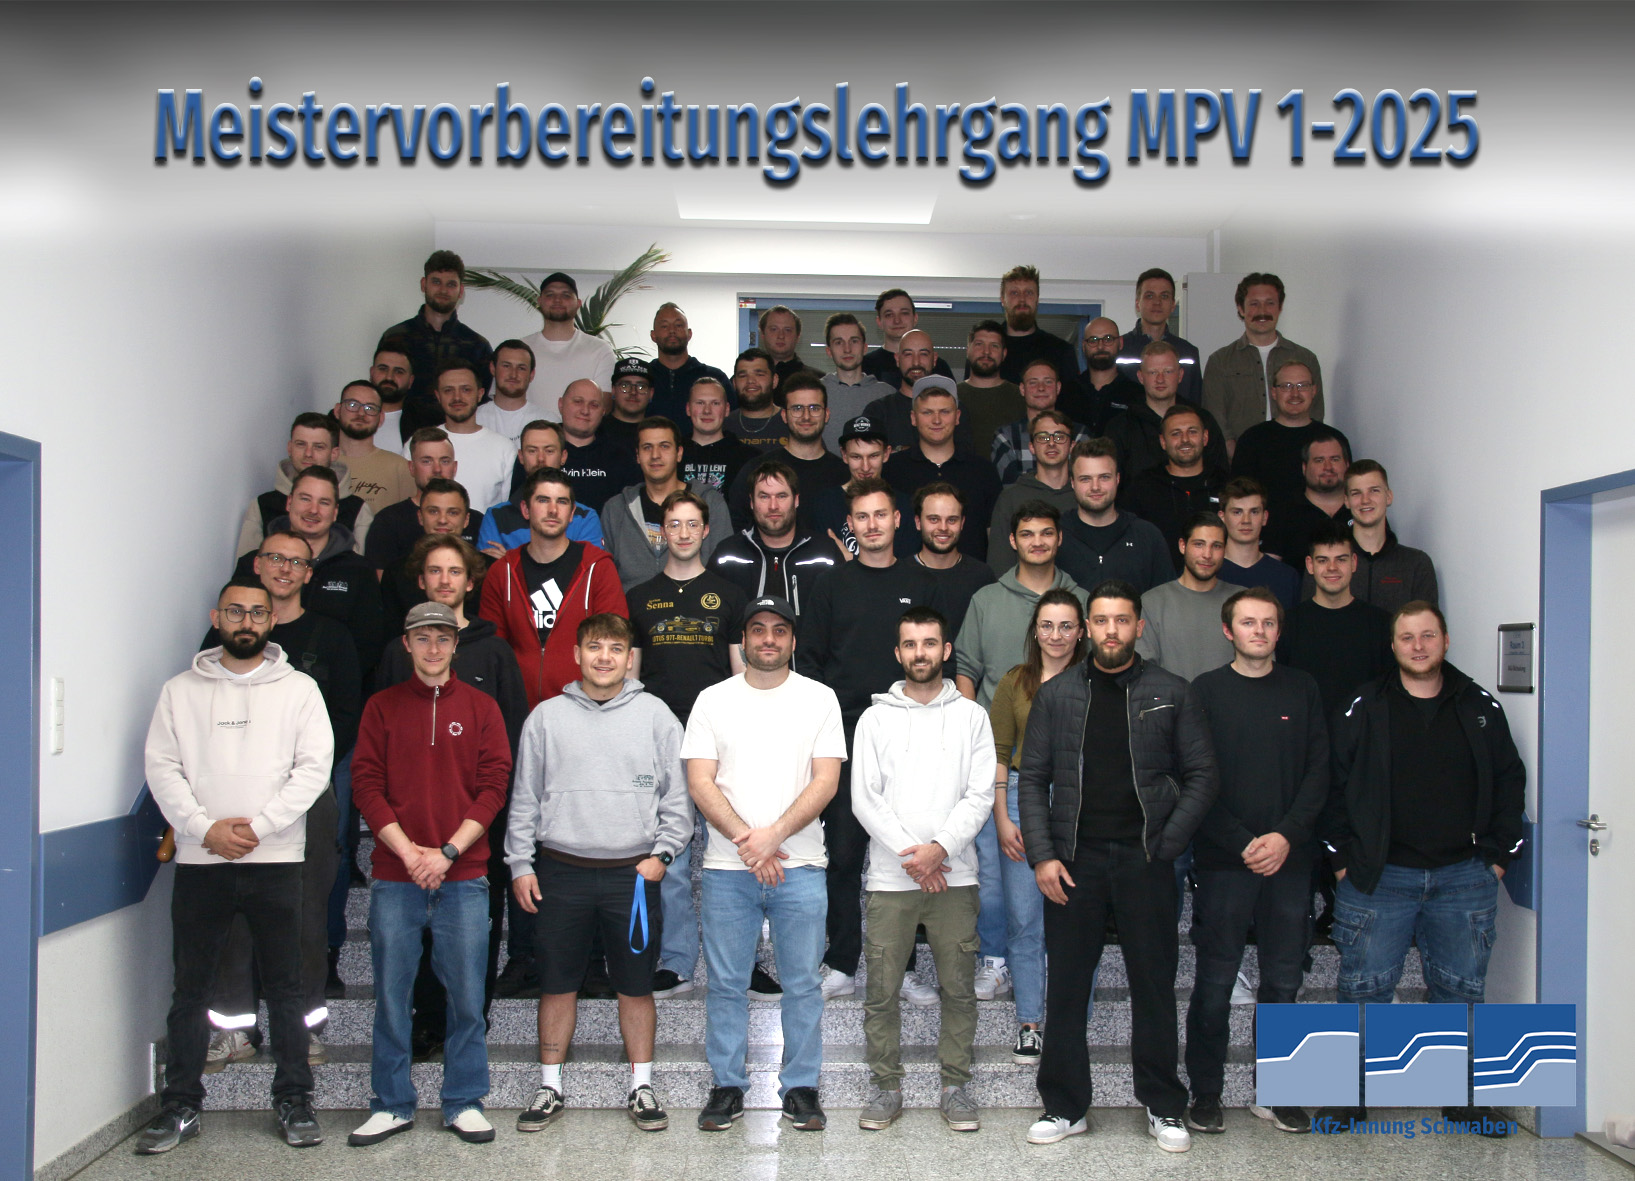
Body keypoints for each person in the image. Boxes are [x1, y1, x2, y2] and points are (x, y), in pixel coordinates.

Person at [1016, 579, 1217, 1152]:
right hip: (1074, 862)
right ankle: (1064, 1105)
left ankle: (1163, 1105)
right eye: (1101, 620)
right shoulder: (1056, 695)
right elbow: (1032, 779)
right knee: (1068, 986)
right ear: (1087, 628)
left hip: (1145, 859)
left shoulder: (1171, 691)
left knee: (1153, 985)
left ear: (1138, 627)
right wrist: (1043, 856)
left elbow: (1204, 774)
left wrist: (1167, 844)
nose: (1111, 631)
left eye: (1121, 620)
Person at [1318, 602, 1526, 1136]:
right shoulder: (1363, 706)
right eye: (1407, 637)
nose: (1418, 646)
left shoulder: (1479, 706)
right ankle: (1347, 1098)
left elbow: (1510, 781)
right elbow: (1331, 785)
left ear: (1445, 641)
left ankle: (1464, 1102)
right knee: (1362, 989)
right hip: (1378, 877)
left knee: (1462, 991)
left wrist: (1498, 859)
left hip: (1465, 877)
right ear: (1392, 645)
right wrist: (1341, 861)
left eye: (1428, 635)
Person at [139, 578, 332, 1153]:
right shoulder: (180, 691)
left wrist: (260, 826)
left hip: (276, 861)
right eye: (235, 612)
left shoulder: (299, 689)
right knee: (190, 990)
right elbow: (162, 767)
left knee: (286, 988)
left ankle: (294, 1099)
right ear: (216, 618)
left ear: (272, 621)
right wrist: (204, 829)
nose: (246, 622)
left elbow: (313, 768)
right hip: (202, 861)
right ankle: (180, 1105)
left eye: (256, 613)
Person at [506, 613, 692, 1134]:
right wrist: (520, 863)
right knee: (557, 984)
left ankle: (642, 1087)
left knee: (635, 986)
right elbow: (524, 799)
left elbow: (678, 801)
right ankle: (549, 1087)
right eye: (594, 647)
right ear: (576, 655)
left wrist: (663, 856)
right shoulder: (545, 717)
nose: (604, 657)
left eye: (615, 648)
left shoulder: (657, 716)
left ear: (630, 658)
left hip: (631, 877)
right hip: (560, 872)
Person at [348, 602, 512, 1148]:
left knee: (466, 998)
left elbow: (494, 786)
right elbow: (366, 785)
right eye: (423, 638)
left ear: (455, 644)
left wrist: (445, 852)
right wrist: (409, 853)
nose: (434, 648)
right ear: (407, 644)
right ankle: (391, 1104)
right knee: (392, 998)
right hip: (396, 878)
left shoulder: (483, 708)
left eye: (443, 637)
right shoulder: (381, 708)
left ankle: (464, 1101)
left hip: (463, 876)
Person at [683, 596, 846, 1133]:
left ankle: (800, 1089)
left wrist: (772, 836)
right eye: (758, 630)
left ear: (793, 640)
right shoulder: (712, 700)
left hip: (800, 864)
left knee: (802, 984)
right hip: (728, 868)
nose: (769, 639)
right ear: (744, 639)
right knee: (726, 984)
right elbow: (700, 781)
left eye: (779, 630)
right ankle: (727, 1087)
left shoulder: (820, 699)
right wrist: (746, 841)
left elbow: (826, 781)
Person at [374, 532, 531, 1046]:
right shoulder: (396, 653)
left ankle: (471, 1023)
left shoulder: (495, 651)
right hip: (408, 831)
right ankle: (426, 1022)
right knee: (415, 933)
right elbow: (380, 744)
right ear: (421, 581)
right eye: (435, 571)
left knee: (475, 931)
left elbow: (511, 742)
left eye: (455, 571)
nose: (445, 580)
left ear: (470, 582)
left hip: (478, 826)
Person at [1185, 588, 1328, 1137]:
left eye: (1268, 623)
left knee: (1284, 981)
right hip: (1225, 860)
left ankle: (1280, 1094)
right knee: (1215, 982)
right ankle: (1206, 1094)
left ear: (1278, 630)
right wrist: (1243, 841)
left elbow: (1319, 771)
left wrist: (1285, 836)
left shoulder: (1303, 687)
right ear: (1229, 631)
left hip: (1290, 860)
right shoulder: (1204, 691)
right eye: (1248, 623)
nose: (1259, 632)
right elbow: (1196, 776)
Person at [797, 478, 942, 999]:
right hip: (846, 736)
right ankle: (841, 962)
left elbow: (934, 659)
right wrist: (824, 731)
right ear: (850, 525)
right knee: (842, 853)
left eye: (881, 514)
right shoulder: (830, 585)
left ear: (898, 520)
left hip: (909, 733)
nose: (873, 524)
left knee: (903, 850)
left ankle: (901, 968)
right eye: (862, 517)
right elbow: (808, 662)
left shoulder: (920, 582)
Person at [852, 607, 994, 1133]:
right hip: (891, 879)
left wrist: (941, 848)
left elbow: (980, 795)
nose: (920, 653)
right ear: (898, 653)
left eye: (929, 643)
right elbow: (864, 799)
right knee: (881, 991)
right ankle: (886, 1088)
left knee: (958, 988)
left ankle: (955, 1087)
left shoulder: (972, 717)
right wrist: (917, 857)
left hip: (956, 876)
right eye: (910, 644)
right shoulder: (874, 719)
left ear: (946, 650)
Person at [205, 531, 359, 1017]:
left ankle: (302, 1031)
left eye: (295, 562)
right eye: (274, 557)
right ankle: (235, 1029)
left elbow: (346, 715)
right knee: (232, 919)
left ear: (309, 574)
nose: (284, 568)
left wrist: (297, 778)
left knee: (305, 913)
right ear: (257, 564)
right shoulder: (220, 644)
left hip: (306, 794)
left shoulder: (331, 637)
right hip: (233, 796)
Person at [954, 501, 1088, 1007]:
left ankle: (1042, 958)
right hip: (999, 763)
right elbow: (966, 668)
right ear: (1012, 541)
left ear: (1059, 539)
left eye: (1046, 533)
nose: (1037, 542)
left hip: (1069, 778)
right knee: (992, 875)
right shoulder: (987, 599)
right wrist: (974, 737)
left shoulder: (1081, 598)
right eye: (1027, 533)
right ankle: (995, 959)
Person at [628, 491, 749, 998]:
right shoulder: (639, 597)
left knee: (737, 850)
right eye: (673, 524)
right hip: (661, 737)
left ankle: (743, 961)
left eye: (691, 524)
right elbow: (631, 680)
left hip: (719, 737)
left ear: (705, 531)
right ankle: (677, 961)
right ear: (662, 532)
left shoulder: (730, 595)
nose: (682, 533)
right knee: (672, 855)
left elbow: (742, 675)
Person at [988, 590, 1085, 1070]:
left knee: (1076, 923)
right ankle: (1030, 1024)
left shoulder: (1096, 681)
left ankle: (1071, 1027)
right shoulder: (1015, 681)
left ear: (1081, 632)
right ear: (1035, 631)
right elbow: (998, 753)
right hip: (1020, 799)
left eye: (1066, 626)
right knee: (1025, 921)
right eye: (1047, 625)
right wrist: (1002, 817)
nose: (1056, 635)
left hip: (1080, 804)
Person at [478, 466, 629, 710]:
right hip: (516, 708)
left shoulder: (598, 568)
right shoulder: (502, 572)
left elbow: (612, 645)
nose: (553, 510)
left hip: (583, 708)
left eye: (562, 501)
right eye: (543, 500)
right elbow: (493, 651)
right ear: (525, 509)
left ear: (571, 513)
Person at [236, 465, 388, 683]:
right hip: (257, 682)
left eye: (323, 502)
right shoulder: (253, 564)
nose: (313, 510)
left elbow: (368, 644)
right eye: (305, 499)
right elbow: (233, 626)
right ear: (289, 502)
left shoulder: (358, 571)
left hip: (329, 688)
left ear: (335, 512)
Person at [1202, 273, 1326, 456]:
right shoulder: (1220, 361)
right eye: (1254, 304)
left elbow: (1315, 413)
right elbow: (1215, 417)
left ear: (1280, 307)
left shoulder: (1305, 359)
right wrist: (1238, 457)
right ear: (1241, 309)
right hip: (1239, 458)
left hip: (1296, 456)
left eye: (1270, 303)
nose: (1263, 311)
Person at [602, 417, 731, 590]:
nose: (655, 455)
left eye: (664, 446)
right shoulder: (616, 509)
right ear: (638, 456)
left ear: (679, 453)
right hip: (631, 605)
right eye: (647, 447)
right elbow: (605, 579)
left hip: (696, 604)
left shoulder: (710, 503)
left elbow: (723, 572)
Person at [377, 250, 494, 439]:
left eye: (451, 284)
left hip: (459, 437)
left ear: (461, 291)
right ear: (424, 284)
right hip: (402, 436)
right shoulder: (396, 337)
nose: (443, 290)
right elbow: (382, 386)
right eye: (436, 282)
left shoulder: (477, 345)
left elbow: (481, 400)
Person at [883, 380, 1001, 557]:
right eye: (927, 412)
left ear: (957, 416)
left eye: (945, 412)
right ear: (913, 418)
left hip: (972, 573)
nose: (936, 420)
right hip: (905, 573)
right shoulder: (891, 470)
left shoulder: (983, 471)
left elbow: (996, 536)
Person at [236, 412, 374, 559]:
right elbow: (248, 567)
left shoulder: (357, 510)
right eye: (301, 444)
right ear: (290, 448)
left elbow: (361, 568)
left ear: (334, 453)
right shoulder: (262, 506)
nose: (308, 453)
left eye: (318, 447)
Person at [726, 373, 847, 534]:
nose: (806, 416)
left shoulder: (844, 473)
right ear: (784, 415)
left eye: (814, 408)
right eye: (797, 408)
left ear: (827, 414)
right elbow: (737, 523)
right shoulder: (757, 469)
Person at [708, 460, 838, 611]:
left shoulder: (826, 554)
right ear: (751, 502)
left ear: (796, 500)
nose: (773, 506)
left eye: (781, 496)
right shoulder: (727, 555)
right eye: (764, 497)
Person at [1228, 360, 1350, 514]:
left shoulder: (1334, 440)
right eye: (1286, 386)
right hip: (1270, 528)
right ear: (1273, 392)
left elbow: (1347, 491)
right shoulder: (1252, 440)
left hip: (1322, 527)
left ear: (1314, 390)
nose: (1295, 394)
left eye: (1302, 386)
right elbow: (1238, 497)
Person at [1056, 438, 1174, 593]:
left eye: (1104, 477)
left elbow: (1166, 600)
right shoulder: (1054, 536)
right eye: (1085, 479)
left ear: (1117, 479)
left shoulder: (1147, 536)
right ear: (1072, 482)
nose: (1095, 487)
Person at [1105, 342, 1230, 483]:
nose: (1160, 379)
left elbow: (1220, 477)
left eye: (1168, 372)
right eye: (1153, 372)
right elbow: (1111, 481)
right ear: (1140, 377)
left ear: (1180, 375)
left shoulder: (1203, 421)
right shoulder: (1120, 427)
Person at [1122, 404, 1227, 570]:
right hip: (1158, 582)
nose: (1185, 439)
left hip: (1218, 580)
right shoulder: (1142, 487)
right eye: (1176, 433)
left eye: (1192, 432)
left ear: (1205, 437)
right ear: (1163, 442)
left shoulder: (1225, 485)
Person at [477, 420, 605, 556]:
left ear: (563, 456)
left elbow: (589, 567)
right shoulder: (496, 516)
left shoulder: (586, 517)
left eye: (549, 451)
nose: (541, 459)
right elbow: (492, 568)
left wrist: (509, 560)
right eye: (532, 451)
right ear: (521, 457)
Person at [1136, 515, 1236, 682]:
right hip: (1170, 698)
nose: (1207, 554)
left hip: (1232, 698)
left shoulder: (1242, 602)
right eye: (1199, 544)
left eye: (1216, 546)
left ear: (1225, 550)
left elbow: (1260, 665)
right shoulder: (1152, 602)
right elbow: (1144, 674)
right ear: (1183, 546)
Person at [366, 428, 482, 572]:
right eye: (427, 461)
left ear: (454, 467)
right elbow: (382, 581)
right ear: (411, 467)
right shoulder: (388, 521)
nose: (437, 469)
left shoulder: (477, 521)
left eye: (445, 461)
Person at [987, 408, 1077, 575]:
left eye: (1059, 437)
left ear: (1072, 446)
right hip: (1023, 590)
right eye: (1043, 437)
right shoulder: (1011, 498)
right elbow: (999, 563)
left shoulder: (1084, 495)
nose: (1051, 443)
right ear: (1032, 447)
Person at [1342, 460, 1440, 613]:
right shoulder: (1328, 565)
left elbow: (1426, 624)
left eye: (1374, 490)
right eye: (1356, 493)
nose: (1365, 500)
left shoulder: (1417, 564)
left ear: (1388, 497)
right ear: (1346, 501)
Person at [378, 478, 474, 632]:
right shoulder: (396, 572)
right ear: (420, 517)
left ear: (466, 519)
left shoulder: (488, 569)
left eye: (453, 512)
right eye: (433, 511)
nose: (442, 520)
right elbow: (391, 635)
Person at [908, 482, 997, 638]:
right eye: (934, 519)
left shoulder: (982, 576)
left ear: (962, 523)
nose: (943, 528)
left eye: (952, 520)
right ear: (918, 522)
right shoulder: (900, 575)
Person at [426, 362, 516, 512]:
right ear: (438, 396)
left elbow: (507, 511)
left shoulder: (504, 448)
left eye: (466, 390)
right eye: (448, 390)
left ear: (480, 394)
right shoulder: (420, 445)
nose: (457, 397)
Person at [863, 331, 973, 452]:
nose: (916, 362)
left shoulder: (953, 409)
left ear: (934, 359)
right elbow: (869, 457)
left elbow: (963, 457)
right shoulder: (878, 411)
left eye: (923, 354)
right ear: (897, 359)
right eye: (908, 354)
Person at [518, 271, 616, 408]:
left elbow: (602, 407)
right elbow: (504, 402)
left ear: (578, 303)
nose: (557, 300)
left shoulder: (600, 350)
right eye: (550, 294)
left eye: (566, 295)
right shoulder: (520, 349)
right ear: (539, 301)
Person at [1261, 427, 1351, 563]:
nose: (1328, 467)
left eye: (1335, 459)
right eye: (1319, 460)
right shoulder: (1282, 514)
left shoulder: (1361, 509)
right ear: (1304, 468)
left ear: (1347, 465)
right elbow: (1269, 569)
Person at [1113, 269, 1203, 405]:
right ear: (1137, 304)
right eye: (1149, 296)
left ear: (1173, 305)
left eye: (1164, 296)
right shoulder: (1119, 349)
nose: (1157, 302)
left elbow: (1196, 403)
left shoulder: (1188, 352)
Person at [991, 359, 1085, 487]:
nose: (1041, 388)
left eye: (1048, 382)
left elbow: (1085, 483)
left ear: (1058, 388)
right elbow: (1010, 489)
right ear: (1022, 389)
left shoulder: (1079, 434)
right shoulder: (1005, 437)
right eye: (1033, 383)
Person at [810, 414, 890, 561]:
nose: (865, 467)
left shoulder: (902, 504)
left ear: (886, 454)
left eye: (873, 456)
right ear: (844, 455)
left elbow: (906, 568)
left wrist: (850, 560)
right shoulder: (825, 504)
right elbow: (822, 563)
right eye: (856, 457)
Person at [333, 380, 417, 515]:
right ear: (337, 410)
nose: (361, 413)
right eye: (352, 405)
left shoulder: (400, 468)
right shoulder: (322, 462)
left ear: (381, 418)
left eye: (370, 408)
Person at [557, 377, 640, 512]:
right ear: (561, 404)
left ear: (603, 412)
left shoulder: (620, 457)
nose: (585, 411)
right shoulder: (541, 450)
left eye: (594, 405)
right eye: (578, 402)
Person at [1215, 477, 1299, 609]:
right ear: (1222, 517)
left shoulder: (1286, 576)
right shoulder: (1208, 571)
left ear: (1265, 517)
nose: (1246, 520)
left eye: (1254, 512)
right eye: (1237, 512)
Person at [821, 312, 897, 451]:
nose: (847, 349)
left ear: (865, 347)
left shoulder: (887, 394)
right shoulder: (816, 392)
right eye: (839, 342)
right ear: (829, 351)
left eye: (854, 341)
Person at [647, 302, 731, 424]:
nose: (672, 330)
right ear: (653, 335)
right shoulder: (644, 378)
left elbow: (732, 421)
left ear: (689, 334)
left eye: (678, 325)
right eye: (664, 326)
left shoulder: (715, 377)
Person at [995, 264, 1077, 385]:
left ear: (1037, 299)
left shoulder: (1061, 351)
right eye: (1014, 293)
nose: (1022, 299)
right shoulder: (986, 352)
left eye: (1028, 292)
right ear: (1002, 299)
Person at [860, 288, 956, 390]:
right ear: (879, 322)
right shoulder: (865, 366)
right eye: (889, 315)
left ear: (915, 318)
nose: (897, 320)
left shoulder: (938, 366)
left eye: (904, 313)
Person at [679, 377, 761, 495]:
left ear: (727, 409)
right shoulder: (672, 455)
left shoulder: (750, 459)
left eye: (715, 403)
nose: (707, 411)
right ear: (688, 409)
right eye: (700, 403)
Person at [1062, 316, 1143, 435]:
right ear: (1084, 346)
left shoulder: (1137, 396)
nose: (1100, 346)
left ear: (1120, 343)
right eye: (1093, 340)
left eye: (1108, 339)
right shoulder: (1066, 394)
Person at [958, 319, 1023, 461]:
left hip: (1009, 475)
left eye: (994, 346)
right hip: (959, 474)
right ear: (968, 350)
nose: (986, 352)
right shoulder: (950, 396)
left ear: (1004, 354)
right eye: (979, 344)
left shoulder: (1021, 397)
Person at [474, 339, 540, 446]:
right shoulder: (474, 419)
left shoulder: (548, 421)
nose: (513, 374)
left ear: (531, 374)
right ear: (492, 368)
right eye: (506, 366)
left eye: (521, 368)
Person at [725, 347, 789, 451]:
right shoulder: (722, 427)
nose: (750, 381)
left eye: (759, 375)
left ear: (774, 380)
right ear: (734, 383)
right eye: (743, 375)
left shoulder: (793, 424)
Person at [602, 355, 656, 450]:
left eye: (641, 387)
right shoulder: (595, 431)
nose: (633, 392)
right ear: (613, 390)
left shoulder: (658, 434)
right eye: (625, 386)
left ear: (651, 393)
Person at [370, 339, 417, 446]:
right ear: (371, 373)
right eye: (383, 369)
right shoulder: (346, 416)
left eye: (399, 372)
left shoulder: (425, 423)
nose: (389, 377)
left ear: (411, 381)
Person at [758, 304, 811, 384]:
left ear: (798, 336)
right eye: (774, 329)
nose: (781, 336)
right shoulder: (748, 381)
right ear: (763, 334)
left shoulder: (816, 381)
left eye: (787, 330)